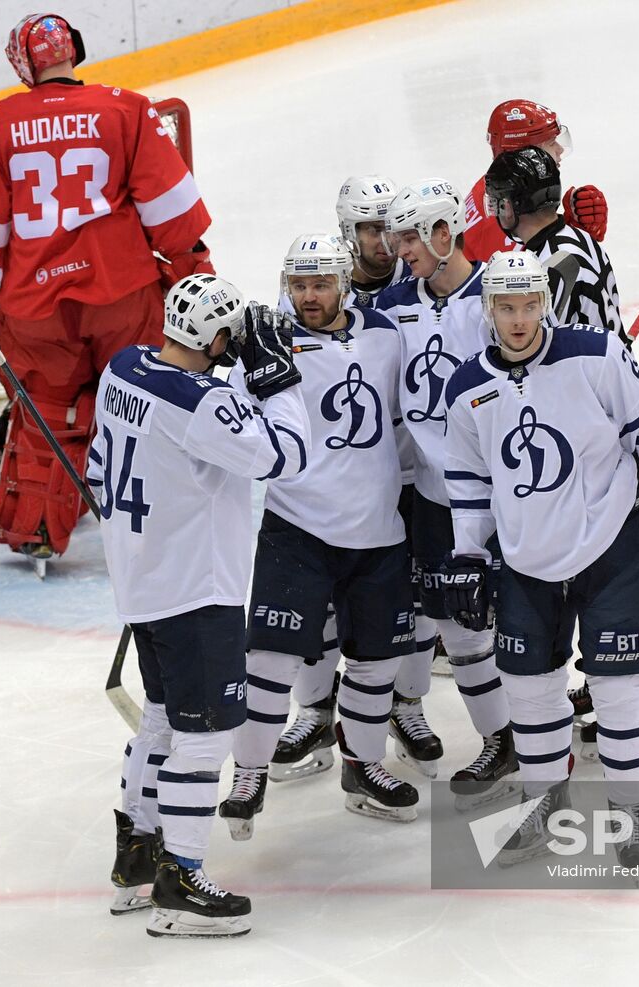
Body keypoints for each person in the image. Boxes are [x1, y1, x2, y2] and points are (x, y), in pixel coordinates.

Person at [440, 250, 639, 867]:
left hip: (609, 548)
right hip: (525, 559)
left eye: (529, 305)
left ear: (546, 302)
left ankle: (631, 815)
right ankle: (545, 805)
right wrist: (467, 552)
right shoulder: (466, 389)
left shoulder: (595, 355)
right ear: (488, 309)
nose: (519, 320)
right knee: (531, 690)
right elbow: (467, 476)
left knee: (619, 689)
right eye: (506, 307)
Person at [0, 13, 214, 576]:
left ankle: (38, 529)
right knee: (140, 400)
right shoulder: (127, 108)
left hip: (35, 309)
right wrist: (196, 269)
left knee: (52, 414)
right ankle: (159, 520)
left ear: (23, 64)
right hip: (123, 294)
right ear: (73, 49)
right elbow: (172, 213)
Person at [93, 273, 308, 937]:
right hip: (195, 591)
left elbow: (121, 457)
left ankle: (137, 855)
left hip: (142, 584)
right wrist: (280, 378)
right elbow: (287, 455)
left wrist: (234, 378)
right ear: (217, 338)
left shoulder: (123, 368)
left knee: (160, 718)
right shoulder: (202, 405)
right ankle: (181, 877)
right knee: (204, 734)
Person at [484, 145, 639, 757]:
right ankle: (638, 689)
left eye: (501, 200)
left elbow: (551, 353)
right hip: (603, 426)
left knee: (618, 574)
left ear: (517, 203)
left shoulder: (546, 265)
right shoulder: (571, 245)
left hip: (602, 437)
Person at [220, 234, 419, 832]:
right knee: (269, 661)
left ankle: (363, 766)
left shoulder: (386, 333)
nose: (309, 296)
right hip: (298, 526)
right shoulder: (269, 343)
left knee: (376, 662)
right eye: (298, 285)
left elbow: (410, 414)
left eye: (321, 284)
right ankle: (250, 774)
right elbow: (225, 420)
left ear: (344, 281)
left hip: (379, 531)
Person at [271, 177, 439, 783]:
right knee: (320, 615)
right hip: (327, 492)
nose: (384, 242)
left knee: (409, 608)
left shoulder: (407, 293)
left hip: (403, 482)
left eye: (388, 229)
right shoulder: (292, 314)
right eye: (370, 230)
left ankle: (403, 708)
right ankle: (315, 713)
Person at [373, 180, 516, 811]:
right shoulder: (395, 306)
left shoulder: (495, 297)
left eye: (408, 237)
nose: (397, 250)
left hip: (501, 495)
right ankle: (503, 737)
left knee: (514, 624)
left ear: (442, 233)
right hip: (432, 497)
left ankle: (540, 732)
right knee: (454, 627)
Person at [461, 99, 608, 264]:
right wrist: (575, 233)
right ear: (524, 156)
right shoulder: (502, 219)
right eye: (551, 143)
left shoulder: (502, 193)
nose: (559, 149)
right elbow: (533, 284)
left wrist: (570, 229)